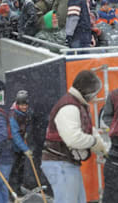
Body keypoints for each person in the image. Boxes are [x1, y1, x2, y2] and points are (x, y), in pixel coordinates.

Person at [41, 70, 108, 203]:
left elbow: (90, 131)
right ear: (87, 92)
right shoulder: (69, 107)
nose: (95, 97)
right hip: (60, 163)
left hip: (67, 163)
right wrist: (94, 142)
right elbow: (73, 139)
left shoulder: (79, 105)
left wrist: (104, 149)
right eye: (95, 93)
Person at [8, 90, 33, 197]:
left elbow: (28, 125)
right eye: (22, 105)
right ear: (17, 104)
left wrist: (27, 133)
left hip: (21, 146)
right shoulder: (13, 115)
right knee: (14, 170)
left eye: (26, 104)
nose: (24, 107)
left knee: (20, 169)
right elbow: (15, 135)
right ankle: (11, 193)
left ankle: (17, 189)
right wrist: (25, 149)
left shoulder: (26, 113)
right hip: (12, 146)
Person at [102, 83, 118, 203]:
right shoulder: (114, 95)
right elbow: (107, 116)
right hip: (117, 148)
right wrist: (116, 127)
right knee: (114, 194)